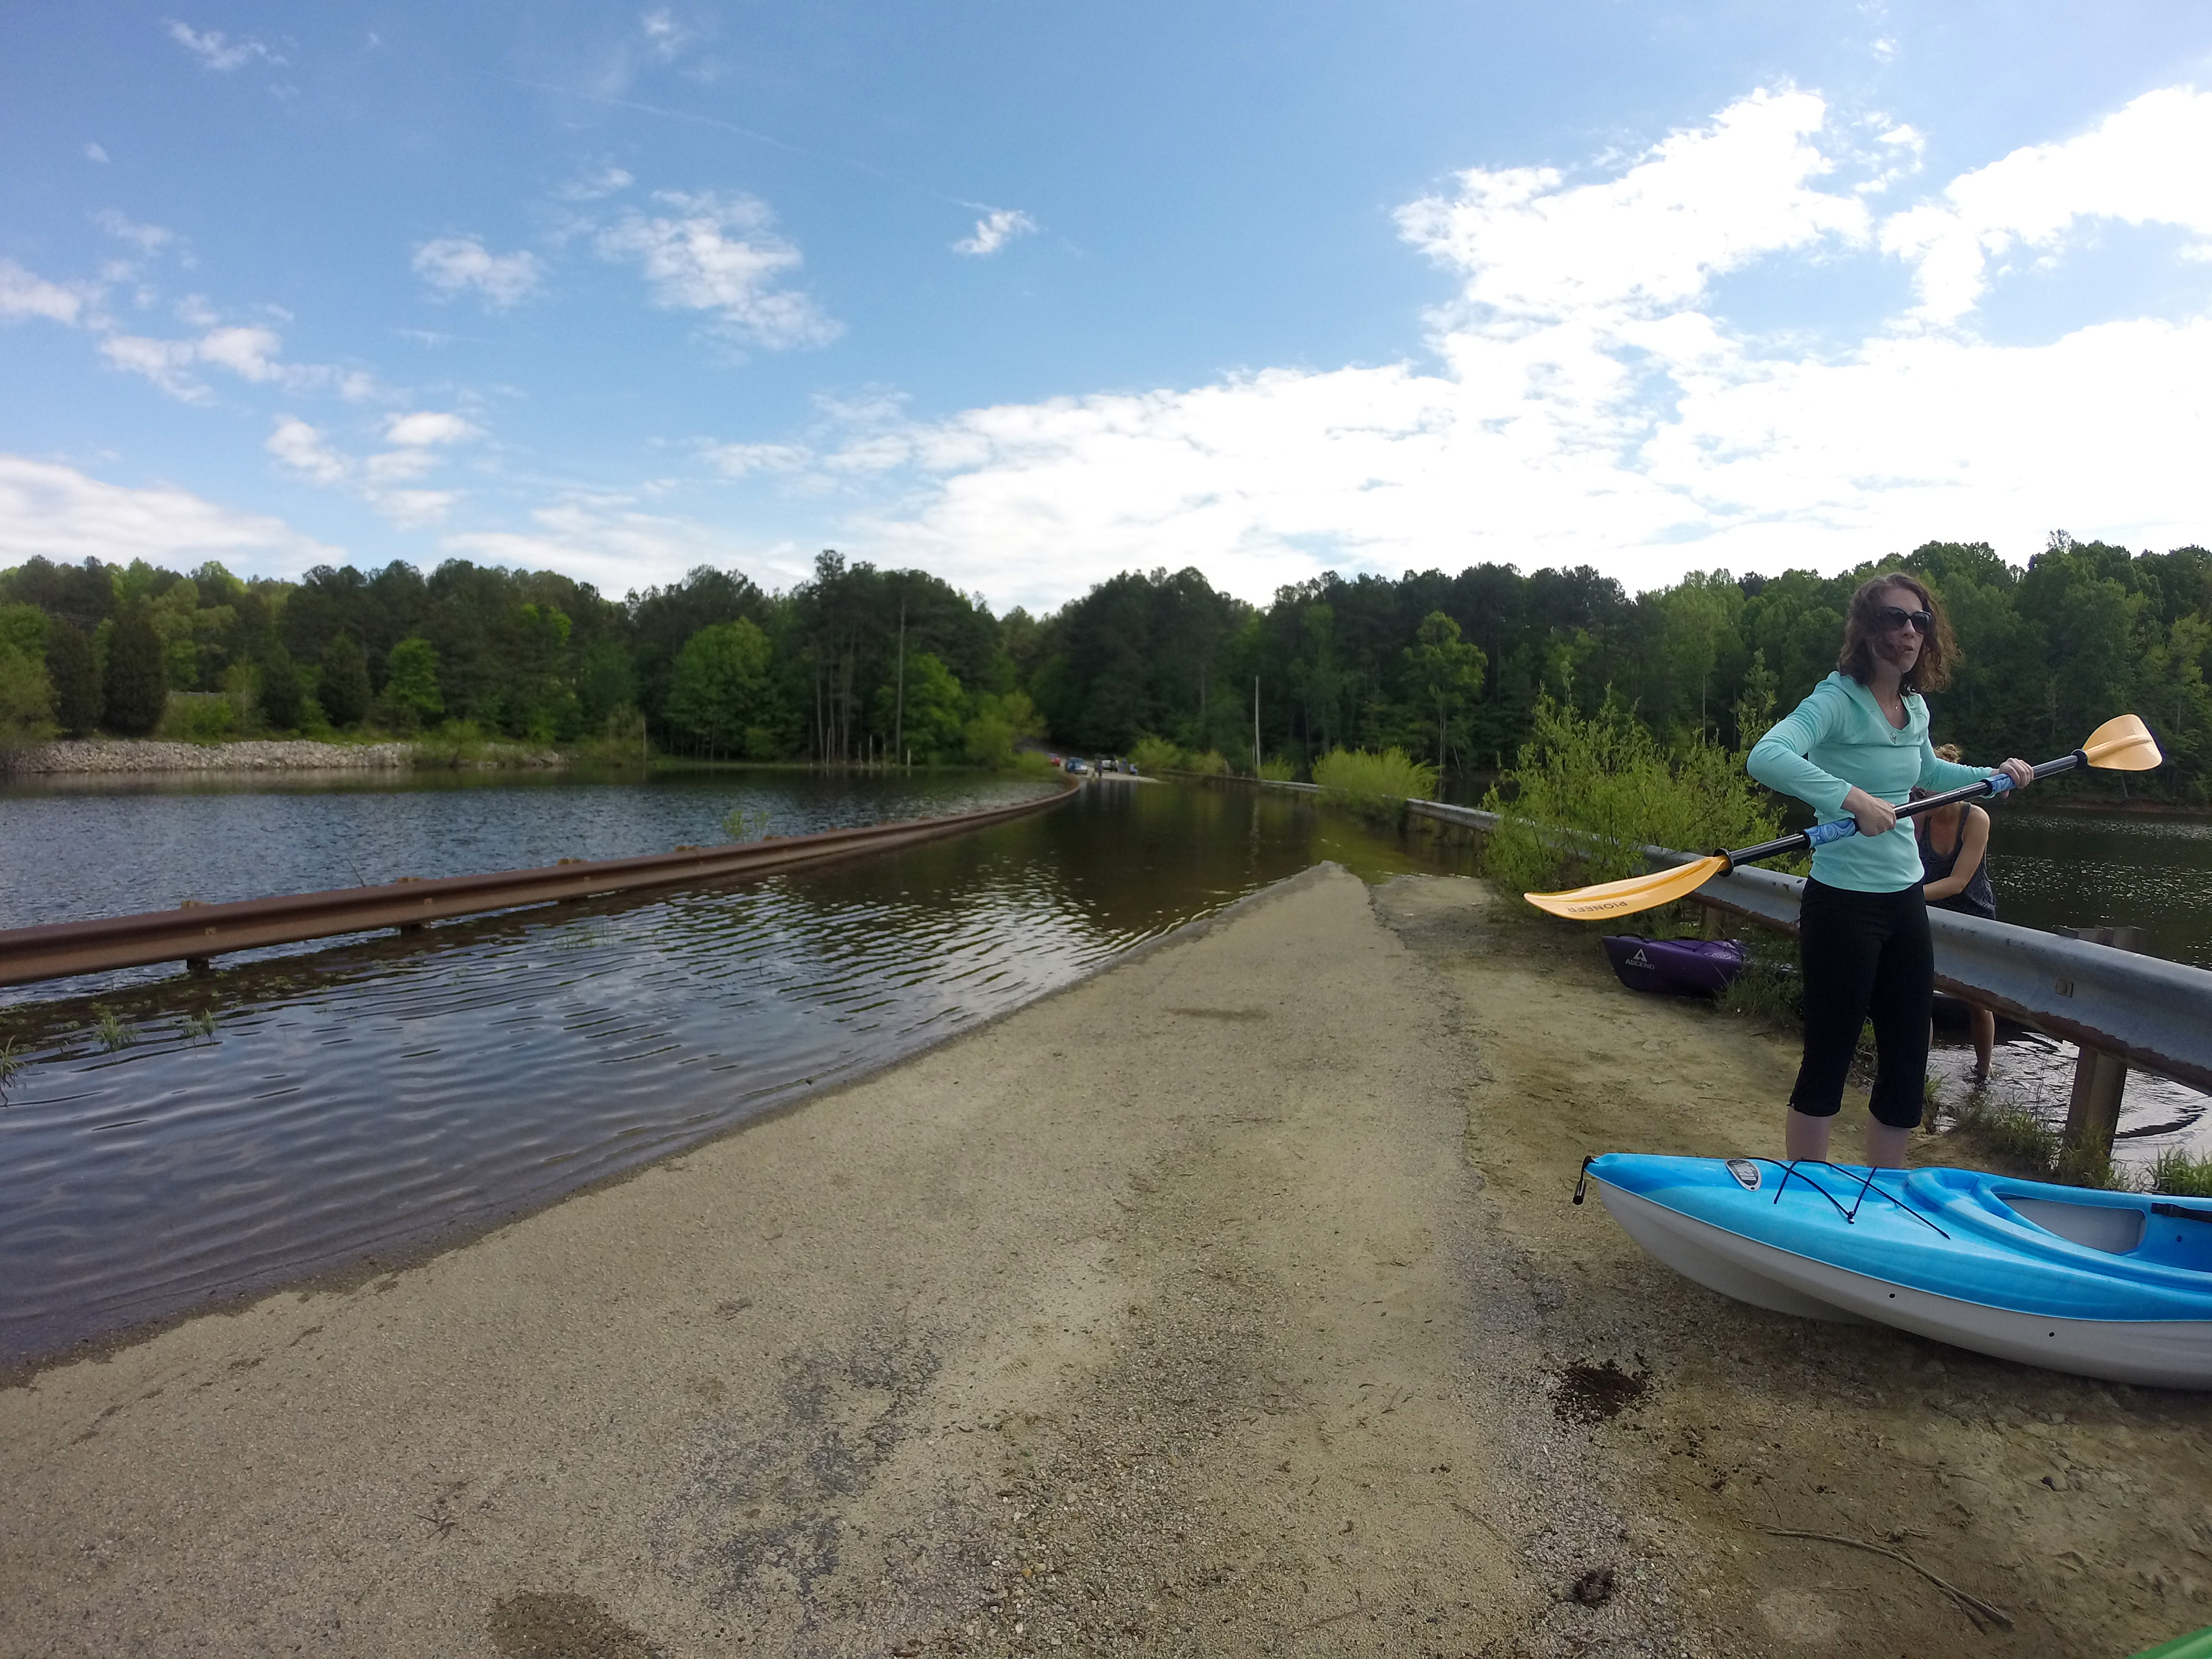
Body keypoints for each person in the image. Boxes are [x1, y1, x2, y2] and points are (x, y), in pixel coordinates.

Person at [1747, 573, 2035, 1170]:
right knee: (1829, 1053)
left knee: (1906, 1057)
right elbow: (1765, 756)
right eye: (1893, 619)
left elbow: (1929, 774)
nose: (1907, 632)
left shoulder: (1913, 706)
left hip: (1903, 900)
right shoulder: (1834, 700)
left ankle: (1882, 1190)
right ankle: (1805, 1189)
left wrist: (1995, 776)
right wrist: (1850, 798)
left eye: (1918, 622)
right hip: (1842, 904)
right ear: (1865, 627)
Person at [1915, 743, 2000, 1086]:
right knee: (1921, 993)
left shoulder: (1976, 818)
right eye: (1920, 790)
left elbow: (1958, 882)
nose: (1922, 797)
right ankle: (1918, 1074)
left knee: (1976, 999)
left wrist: (1907, 898)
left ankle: (1983, 1071)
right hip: (1928, 909)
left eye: (1929, 790)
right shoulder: (1920, 814)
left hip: (1972, 914)